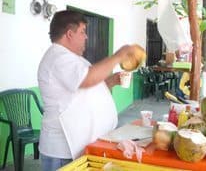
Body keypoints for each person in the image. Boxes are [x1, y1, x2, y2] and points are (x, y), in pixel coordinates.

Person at [37, 10, 135, 171]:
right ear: (69, 33)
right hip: (62, 150)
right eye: (82, 32)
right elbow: (87, 79)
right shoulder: (58, 57)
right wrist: (118, 56)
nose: (86, 37)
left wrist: (111, 82)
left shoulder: (74, 58)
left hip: (76, 145)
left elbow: (87, 88)